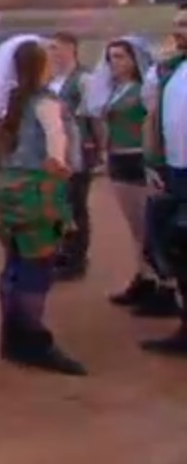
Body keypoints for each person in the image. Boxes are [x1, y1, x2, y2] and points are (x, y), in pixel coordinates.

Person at [0, 36, 86, 376]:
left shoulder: (13, 100)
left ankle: (13, 334)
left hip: (10, 187)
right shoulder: (45, 101)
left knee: (16, 260)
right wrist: (59, 163)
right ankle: (32, 339)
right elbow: (56, 136)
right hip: (36, 189)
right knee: (37, 264)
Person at [86, 37, 179, 317]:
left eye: (121, 57)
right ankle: (145, 278)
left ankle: (164, 284)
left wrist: (153, 159)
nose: (115, 63)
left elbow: (153, 121)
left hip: (137, 156)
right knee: (136, 228)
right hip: (118, 157)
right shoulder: (115, 89)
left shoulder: (143, 89)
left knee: (148, 226)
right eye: (111, 57)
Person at [141, 3, 187, 357]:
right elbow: (157, 118)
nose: (178, 32)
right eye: (177, 25)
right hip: (175, 171)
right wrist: (154, 162)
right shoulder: (171, 71)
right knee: (174, 247)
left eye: (185, 25)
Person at [48, 31, 97, 281]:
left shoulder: (83, 79)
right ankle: (62, 250)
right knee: (59, 202)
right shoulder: (52, 80)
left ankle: (76, 256)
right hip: (56, 150)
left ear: (71, 48)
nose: (52, 53)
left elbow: (93, 115)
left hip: (77, 150)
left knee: (75, 203)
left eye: (56, 48)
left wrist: (96, 148)